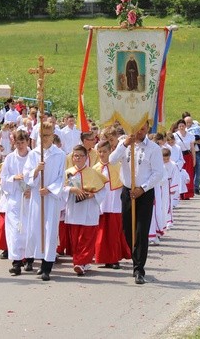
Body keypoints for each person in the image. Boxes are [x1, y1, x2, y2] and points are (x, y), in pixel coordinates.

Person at [109, 121, 163, 284]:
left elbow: (158, 173)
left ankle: (139, 268)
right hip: (127, 191)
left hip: (144, 193)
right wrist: (125, 144)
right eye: (137, 126)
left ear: (147, 128)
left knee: (141, 231)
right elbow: (111, 160)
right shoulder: (123, 143)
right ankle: (135, 258)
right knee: (127, 228)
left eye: (143, 127)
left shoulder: (154, 148)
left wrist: (143, 188)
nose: (140, 130)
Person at [23, 121, 65, 281]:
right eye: (42, 136)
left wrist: (50, 189)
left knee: (49, 230)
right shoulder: (34, 154)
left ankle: (47, 265)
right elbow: (26, 174)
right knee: (35, 227)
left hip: (50, 198)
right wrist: (35, 171)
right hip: (36, 197)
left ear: (53, 135)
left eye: (47, 136)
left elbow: (62, 177)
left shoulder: (59, 154)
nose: (44, 139)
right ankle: (33, 258)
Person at [63, 144, 107, 276]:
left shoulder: (93, 172)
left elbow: (103, 191)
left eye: (81, 156)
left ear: (86, 157)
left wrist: (94, 195)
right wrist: (72, 189)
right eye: (75, 156)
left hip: (89, 209)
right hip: (74, 209)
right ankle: (81, 262)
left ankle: (80, 263)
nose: (78, 158)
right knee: (76, 239)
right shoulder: (68, 172)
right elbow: (60, 189)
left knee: (87, 238)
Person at [94, 139, 131, 270]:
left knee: (114, 232)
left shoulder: (118, 166)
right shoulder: (95, 168)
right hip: (101, 203)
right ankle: (103, 258)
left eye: (105, 151)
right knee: (101, 232)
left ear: (110, 151)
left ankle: (114, 258)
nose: (102, 154)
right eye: (100, 151)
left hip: (115, 202)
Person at [1, 131, 33, 275]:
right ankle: (16, 263)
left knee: (29, 229)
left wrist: (31, 190)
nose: (20, 146)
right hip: (15, 198)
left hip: (30, 199)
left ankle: (30, 259)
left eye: (23, 142)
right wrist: (14, 177)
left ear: (28, 142)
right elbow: (3, 178)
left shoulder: (34, 157)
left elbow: (39, 176)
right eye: (18, 143)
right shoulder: (10, 158)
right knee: (15, 231)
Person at [184, 113, 200, 195]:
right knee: (190, 171)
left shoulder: (197, 129)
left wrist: (195, 142)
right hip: (188, 153)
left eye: (190, 122)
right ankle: (190, 186)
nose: (189, 124)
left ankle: (196, 187)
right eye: (187, 122)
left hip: (197, 152)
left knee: (199, 171)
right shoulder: (182, 131)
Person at [173, 119, 196, 199]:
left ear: (185, 126)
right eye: (180, 126)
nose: (181, 127)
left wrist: (194, 159)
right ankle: (179, 193)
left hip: (188, 156)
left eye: (183, 126)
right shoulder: (175, 135)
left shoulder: (190, 135)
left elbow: (192, 148)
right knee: (178, 174)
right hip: (178, 156)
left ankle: (187, 194)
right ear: (178, 127)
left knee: (188, 174)